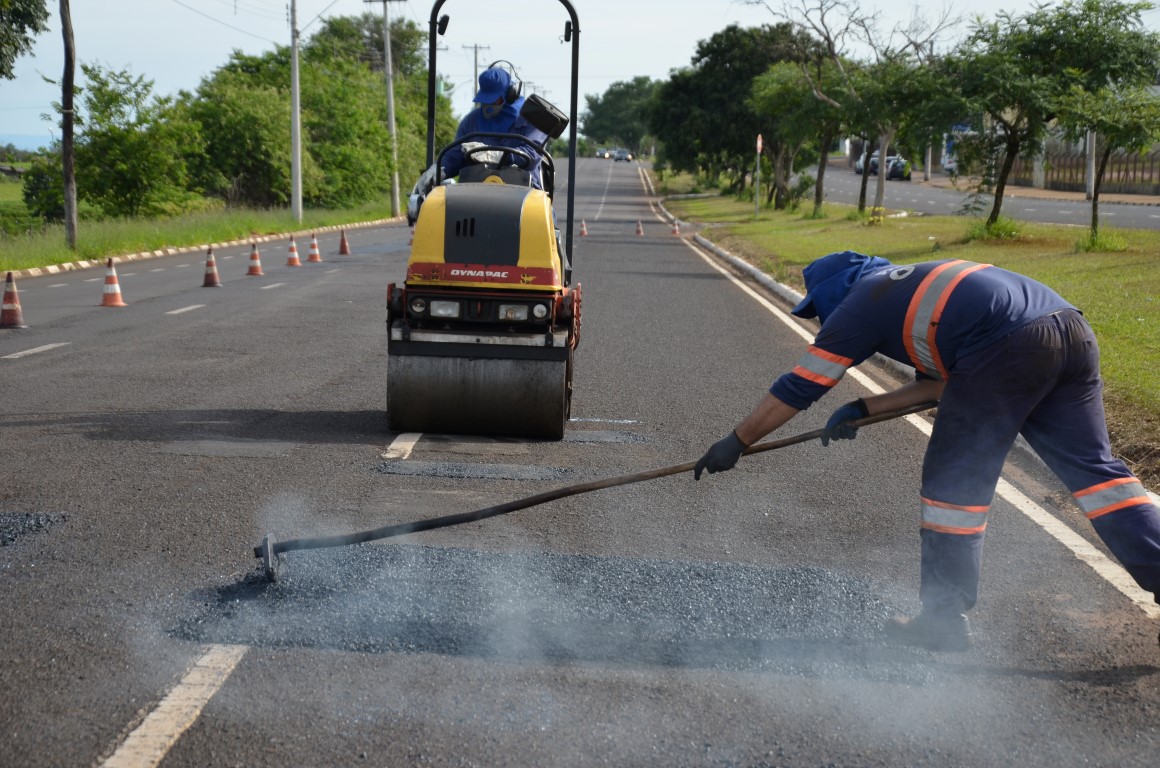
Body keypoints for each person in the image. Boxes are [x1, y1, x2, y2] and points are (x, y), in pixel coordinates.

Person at [694, 250, 1160, 652]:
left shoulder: (860, 303)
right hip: (1070, 331)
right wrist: (862, 407)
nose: (821, 320)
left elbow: (802, 384)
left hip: (1009, 346)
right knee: (1098, 476)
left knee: (953, 487)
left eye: (819, 309)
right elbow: (945, 385)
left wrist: (738, 441)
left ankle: (943, 619)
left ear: (834, 292)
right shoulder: (909, 288)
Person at [440, 64, 549, 189]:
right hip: (475, 189)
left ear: (510, 95)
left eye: (494, 100)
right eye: (485, 100)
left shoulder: (531, 119)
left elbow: (532, 154)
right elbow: (455, 155)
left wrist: (497, 155)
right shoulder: (471, 121)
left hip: (523, 189)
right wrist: (440, 170)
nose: (488, 105)